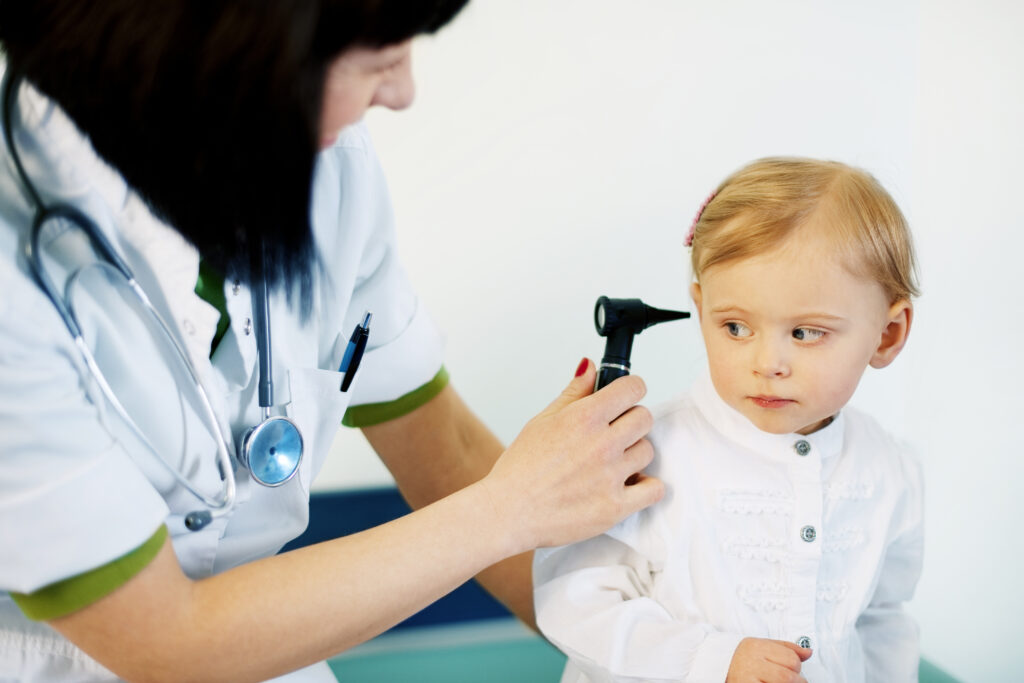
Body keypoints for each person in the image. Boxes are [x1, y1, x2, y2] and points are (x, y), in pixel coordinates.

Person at [0, 3, 665, 681]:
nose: (404, 92)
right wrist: (511, 508)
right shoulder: (10, 267)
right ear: (234, 47)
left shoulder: (321, 167)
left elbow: (450, 456)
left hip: (269, 644)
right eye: (378, 61)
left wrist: (642, 651)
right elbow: (167, 639)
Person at [534, 157, 924, 683]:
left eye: (806, 333)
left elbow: (882, 619)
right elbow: (575, 602)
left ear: (886, 334)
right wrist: (709, 660)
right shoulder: (645, 453)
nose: (767, 363)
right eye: (736, 326)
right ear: (701, 306)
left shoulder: (889, 469)